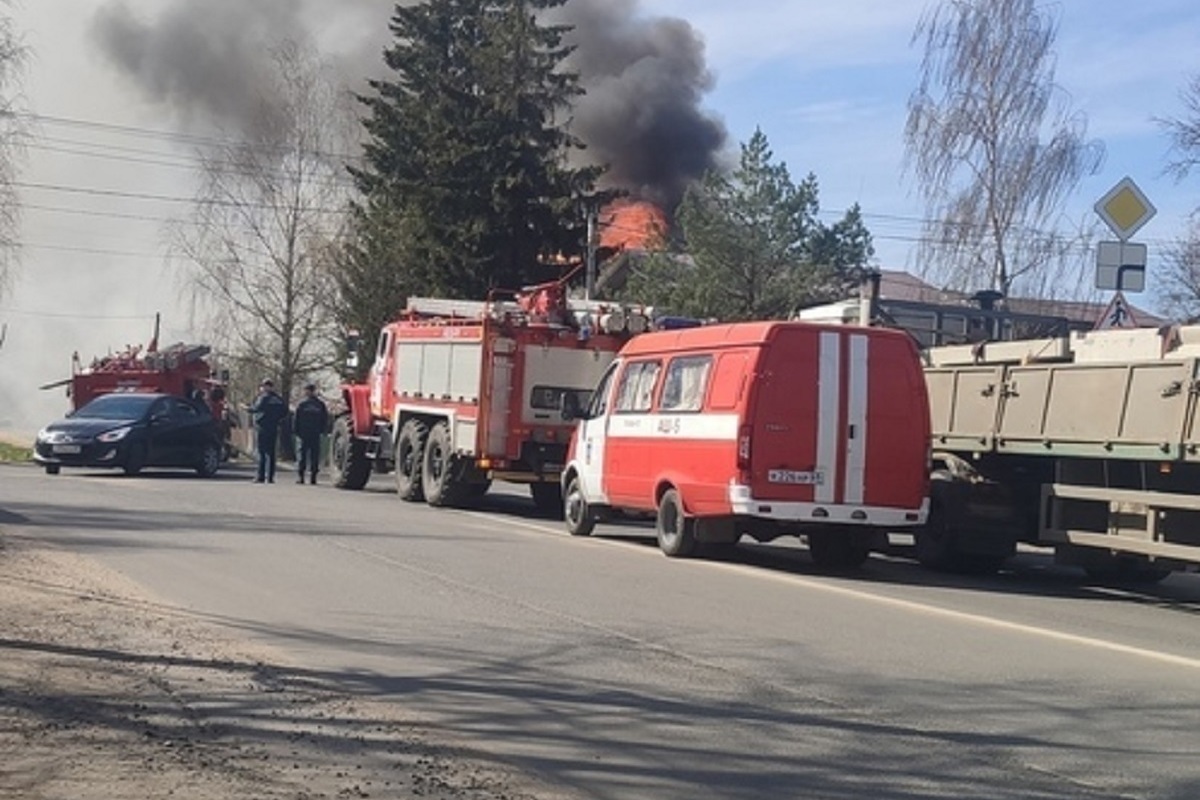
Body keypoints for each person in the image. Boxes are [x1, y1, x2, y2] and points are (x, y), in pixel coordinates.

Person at [248, 378, 288, 483]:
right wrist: (276, 419)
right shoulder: (279, 399)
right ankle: (270, 477)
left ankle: (260, 476)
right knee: (271, 453)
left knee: (261, 452)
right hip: (273, 427)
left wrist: (246, 408)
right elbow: (285, 411)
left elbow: (256, 408)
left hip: (262, 427)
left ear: (265, 387)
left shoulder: (263, 398)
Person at [292, 382, 328, 485]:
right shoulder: (320, 404)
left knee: (302, 455)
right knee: (314, 455)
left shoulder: (302, 404)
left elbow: (296, 419)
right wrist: (323, 430)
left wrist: (295, 431)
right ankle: (312, 477)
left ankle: (302, 477)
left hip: (304, 433)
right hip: (314, 433)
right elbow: (325, 419)